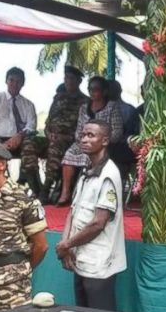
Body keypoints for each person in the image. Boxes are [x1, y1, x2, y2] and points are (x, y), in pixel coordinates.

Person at [0, 141, 49, 312]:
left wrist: (21, 270)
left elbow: (41, 245)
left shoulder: (22, 197)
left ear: (1, 165)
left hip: (13, 279)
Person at [56, 120, 126, 311]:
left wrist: (66, 244)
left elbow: (98, 223)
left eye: (91, 135)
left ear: (104, 141)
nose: (84, 139)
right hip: (81, 258)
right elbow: (73, 210)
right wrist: (66, 245)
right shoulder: (87, 171)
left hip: (99, 263)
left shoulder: (108, 174)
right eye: (83, 134)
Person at [59, 76, 124, 207]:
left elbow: (117, 131)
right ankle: (65, 192)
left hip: (103, 144)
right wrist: (84, 138)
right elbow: (78, 129)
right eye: (90, 89)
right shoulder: (83, 107)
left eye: (96, 89)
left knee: (88, 156)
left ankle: (87, 195)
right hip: (83, 142)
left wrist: (100, 140)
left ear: (104, 91)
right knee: (69, 154)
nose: (92, 92)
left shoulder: (112, 107)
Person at [0, 67, 40, 194]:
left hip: (21, 139)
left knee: (30, 146)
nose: (15, 84)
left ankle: (33, 187)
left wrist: (19, 137)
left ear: (23, 83)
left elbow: (32, 125)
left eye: (18, 81)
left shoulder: (28, 104)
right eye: (11, 80)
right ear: (6, 81)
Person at [42, 66, 89, 204]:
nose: (68, 81)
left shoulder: (85, 102)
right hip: (51, 138)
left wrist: (64, 137)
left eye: (71, 79)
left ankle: (46, 188)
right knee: (29, 144)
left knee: (55, 147)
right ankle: (35, 186)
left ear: (79, 81)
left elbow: (83, 128)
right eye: (66, 78)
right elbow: (48, 122)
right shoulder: (58, 99)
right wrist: (48, 134)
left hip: (70, 141)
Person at [107, 80, 140, 189]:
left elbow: (132, 134)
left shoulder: (129, 110)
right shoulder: (102, 108)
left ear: (119, 91)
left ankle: (113, 190)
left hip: (123, 148)